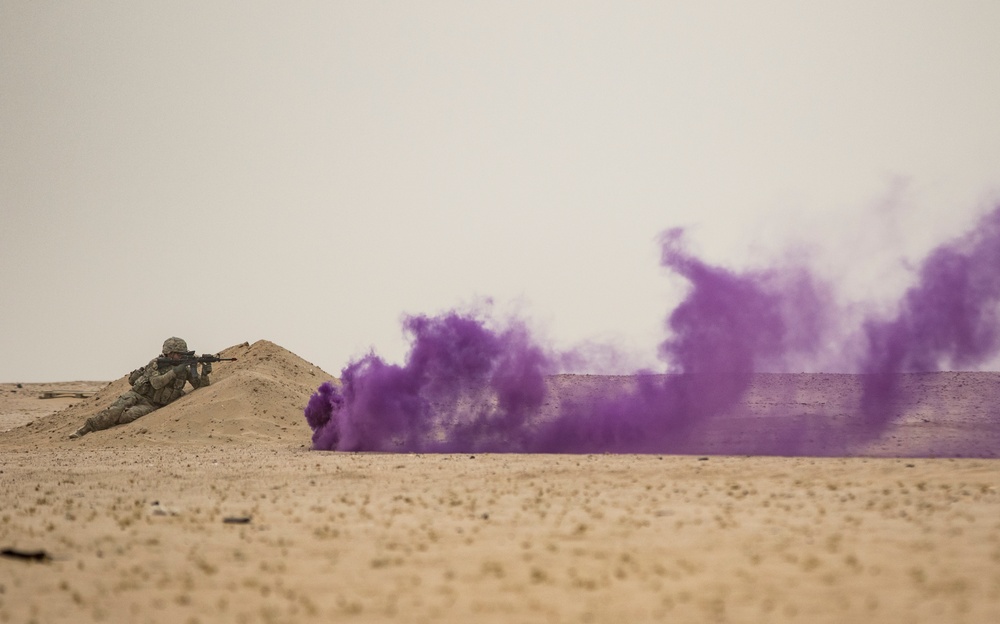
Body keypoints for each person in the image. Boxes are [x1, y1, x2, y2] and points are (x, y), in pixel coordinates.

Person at [69, 337, 212, 439]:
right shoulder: (155, 363)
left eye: (183, 354)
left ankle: (109, 423)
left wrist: (205, 372)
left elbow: (200, 386)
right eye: (179, 353)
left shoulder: (183, 370)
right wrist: (175, 371)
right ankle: (86, 429)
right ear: (169, 353)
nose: (181, 356)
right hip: (137, 395)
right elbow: (156, 383)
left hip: (152, 404)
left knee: (127, 416)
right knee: (114, 411)